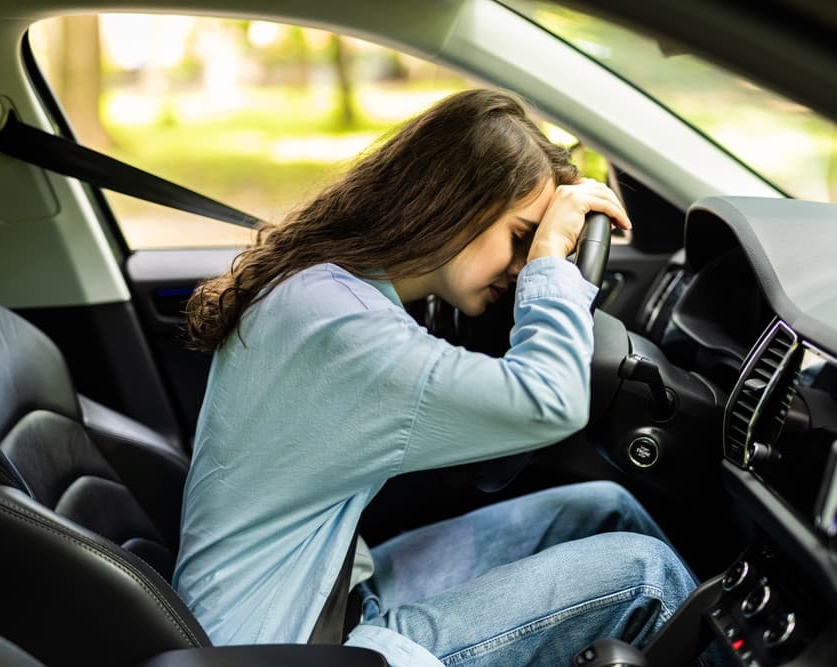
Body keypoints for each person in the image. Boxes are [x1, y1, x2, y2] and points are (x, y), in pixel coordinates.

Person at [174, 89, 701, 666]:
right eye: (520, 237)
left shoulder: (325, 291)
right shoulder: (341, 328)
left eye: (532, 246)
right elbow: (552, 401)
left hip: (327, 600)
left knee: (605, 506)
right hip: (289, 647)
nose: (523, 263)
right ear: (455, 206)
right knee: (645, 574)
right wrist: (552, 261)